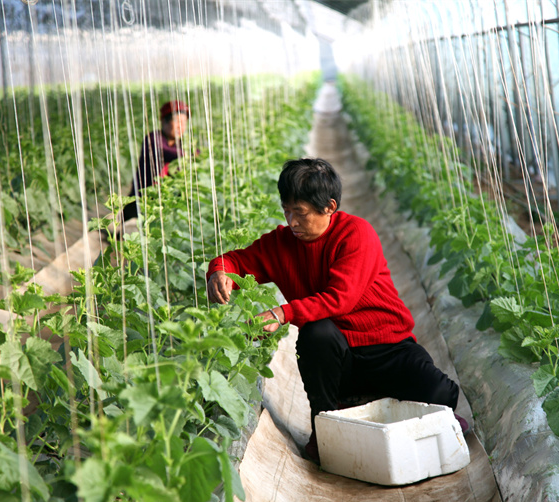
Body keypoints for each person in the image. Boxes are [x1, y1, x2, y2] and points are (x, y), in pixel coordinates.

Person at [206, 158, 466, 463]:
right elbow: (234, 261)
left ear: (329, 207)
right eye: (287, 210)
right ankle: (325, 426)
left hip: (387, 349)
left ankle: (370, 401)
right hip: (338, 359)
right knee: (316, 334)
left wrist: (282, 313)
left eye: (300, 213)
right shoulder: (281, 244)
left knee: (441, 394)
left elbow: (339, 298)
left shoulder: (356, 234)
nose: (292, 222)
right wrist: (218, 272)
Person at [122, 100, 195, 221]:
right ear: (164, 122)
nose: (180, 126)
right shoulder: (153, 138)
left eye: (184, 122)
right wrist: (189, 154)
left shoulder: (181, 144)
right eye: (177, 121)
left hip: (165, 203)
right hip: (142, 201)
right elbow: (164, 151)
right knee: (133, 229)